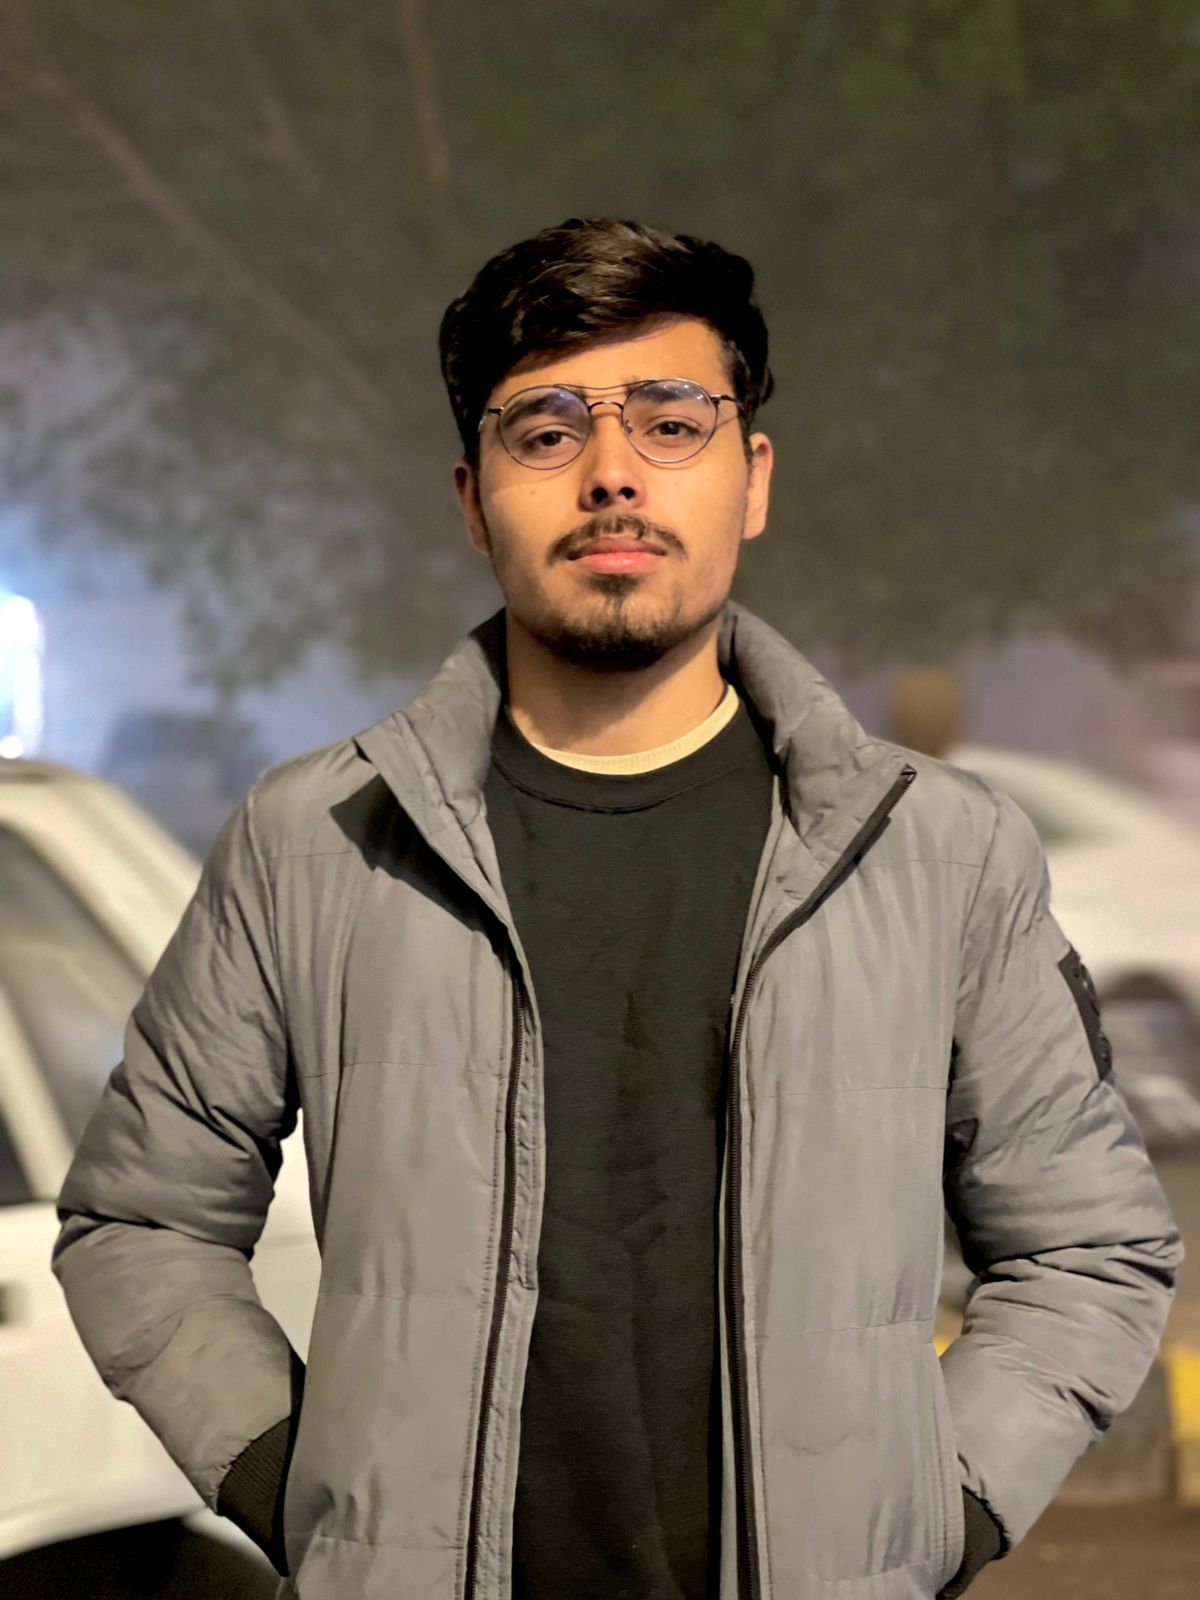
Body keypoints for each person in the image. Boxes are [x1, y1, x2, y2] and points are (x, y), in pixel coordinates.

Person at [53, 217, 1182, 1600]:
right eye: (545, 432)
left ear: (751, 479)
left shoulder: (939, 854)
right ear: (473, 500)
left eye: (671, 422)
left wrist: (932, 1517)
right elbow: (143, 1224)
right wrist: (309, 1492)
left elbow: (1089, 1247)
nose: (611, 474)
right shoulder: (316, 844)